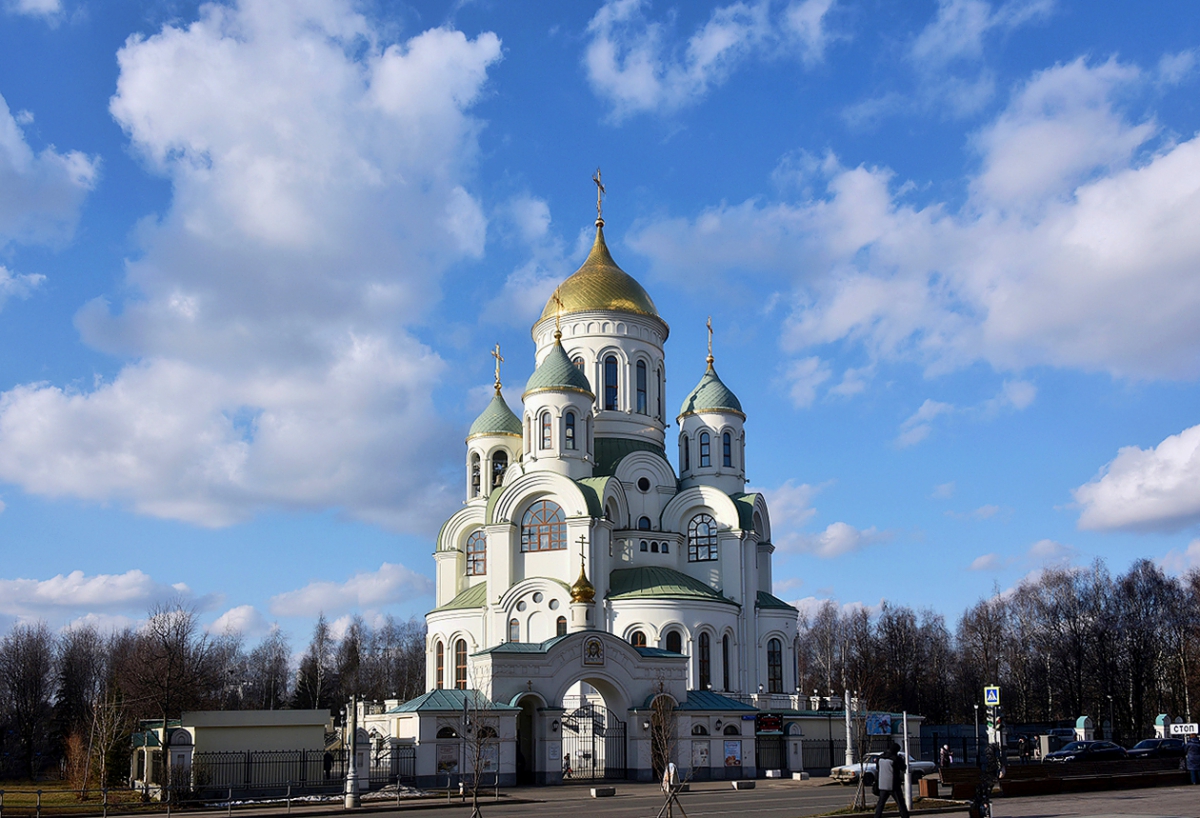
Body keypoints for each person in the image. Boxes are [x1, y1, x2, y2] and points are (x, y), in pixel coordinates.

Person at [873, 742, 911, 818]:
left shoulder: (880, 757)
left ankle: (877, 816)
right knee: (900, 803)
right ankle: (905, 816)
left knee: (881, 803)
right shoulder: (896, 758)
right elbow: (903, 768)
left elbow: (878, 769)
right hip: (894, 784)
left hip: (882, 784)